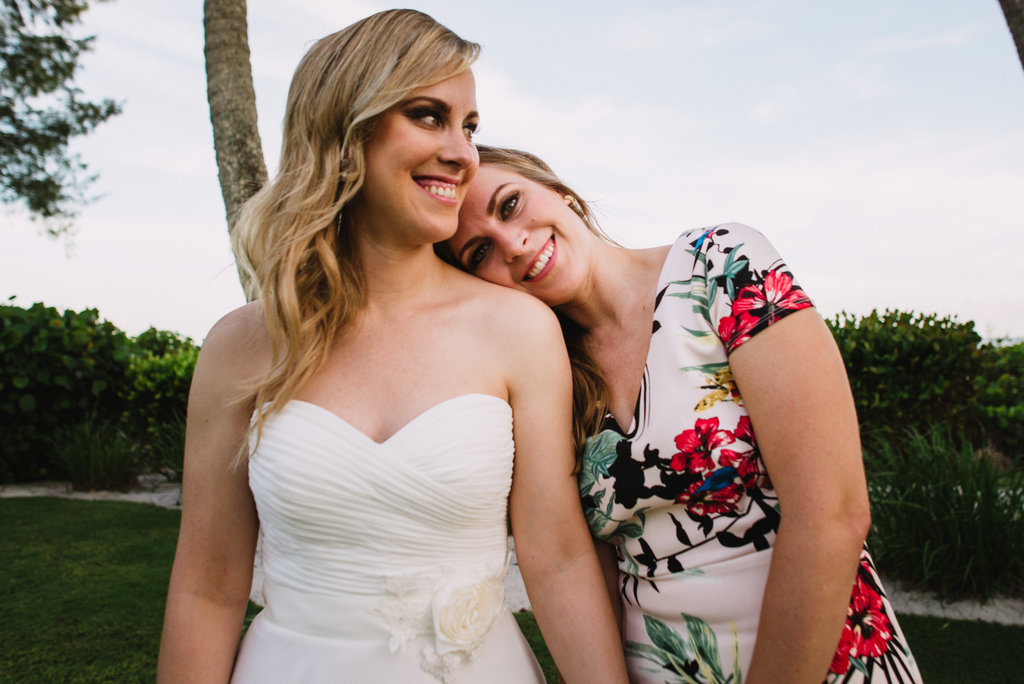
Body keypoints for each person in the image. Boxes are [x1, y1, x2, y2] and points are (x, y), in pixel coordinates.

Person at [156, 12, 629, 684]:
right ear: (344, 129)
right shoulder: (241, 346)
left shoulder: (517, 330)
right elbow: (206, 587)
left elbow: (556, 557)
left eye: (469, 127)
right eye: (429, 116)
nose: (463, 154)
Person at [443, 145, 924, 683]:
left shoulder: (721, 264)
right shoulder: (546, 374)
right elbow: (574, 564)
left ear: (558, 191)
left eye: (510, 204)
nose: (512, 245)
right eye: (479, 252)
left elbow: (832, 511)